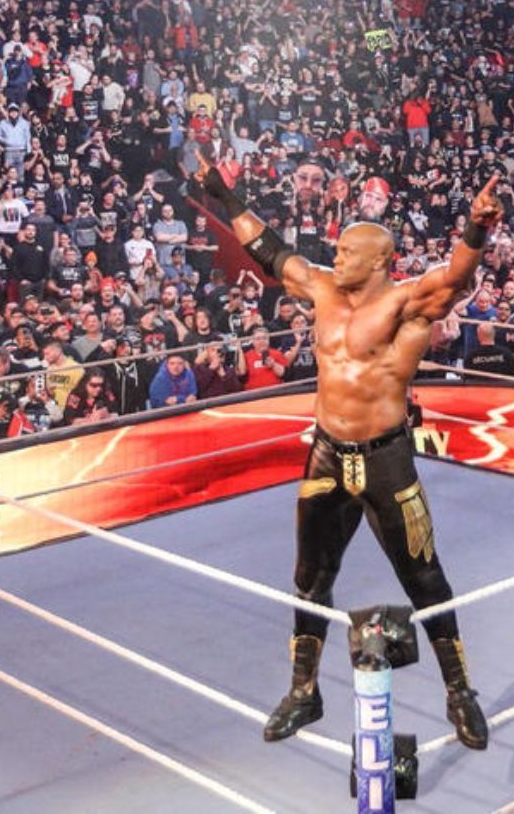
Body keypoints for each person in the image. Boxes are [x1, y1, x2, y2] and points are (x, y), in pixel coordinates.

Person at [195, 164, 498, 750]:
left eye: (347, 251)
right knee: (310, 576)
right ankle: (304, 691)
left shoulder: (408, 303)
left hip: (386, 457)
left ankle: (460, 692)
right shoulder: (324, 290)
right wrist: (224, 194)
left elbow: (457, 277)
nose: (336, 256)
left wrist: (476, 228)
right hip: (327, 453)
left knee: (424, 579)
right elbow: (271, 250)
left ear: (379, 259)